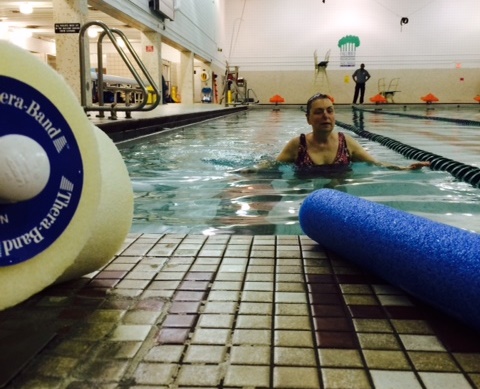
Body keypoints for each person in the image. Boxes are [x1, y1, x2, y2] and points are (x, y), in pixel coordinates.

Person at [276, 93, 430, 171]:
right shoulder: (298, 145)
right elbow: (272, 166)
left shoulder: (346, 143)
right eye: (318, 112)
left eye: (330, 111)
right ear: (308, 118)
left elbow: (376, 164)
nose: (325, 116)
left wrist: (404, 168)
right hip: (306, 196)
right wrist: (254, 172)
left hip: (340, 195)